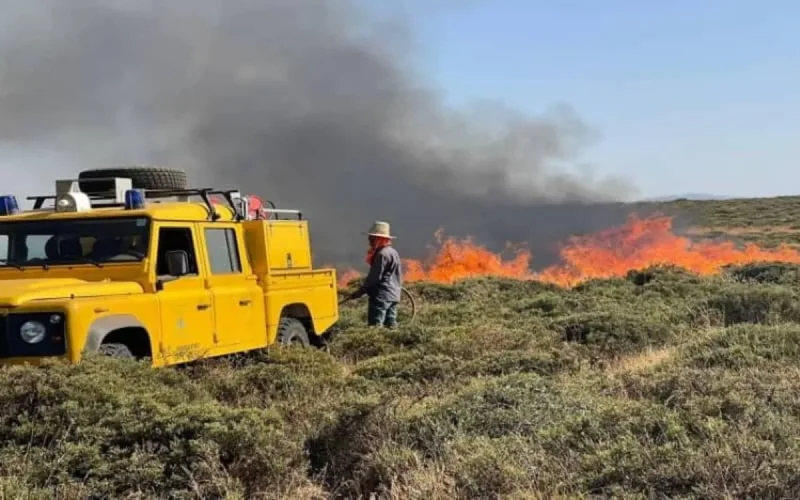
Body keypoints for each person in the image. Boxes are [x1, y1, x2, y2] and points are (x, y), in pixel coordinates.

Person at [349, 221, 403, 328]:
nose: (370, 240)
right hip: (394, 295)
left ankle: (376, 344)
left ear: (380, 239)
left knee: (376, 327)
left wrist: (362, 291)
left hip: (381, 297)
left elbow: (375, 277)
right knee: (391, 326)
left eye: (373, 238)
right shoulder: (393, 252)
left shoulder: (382, 254)